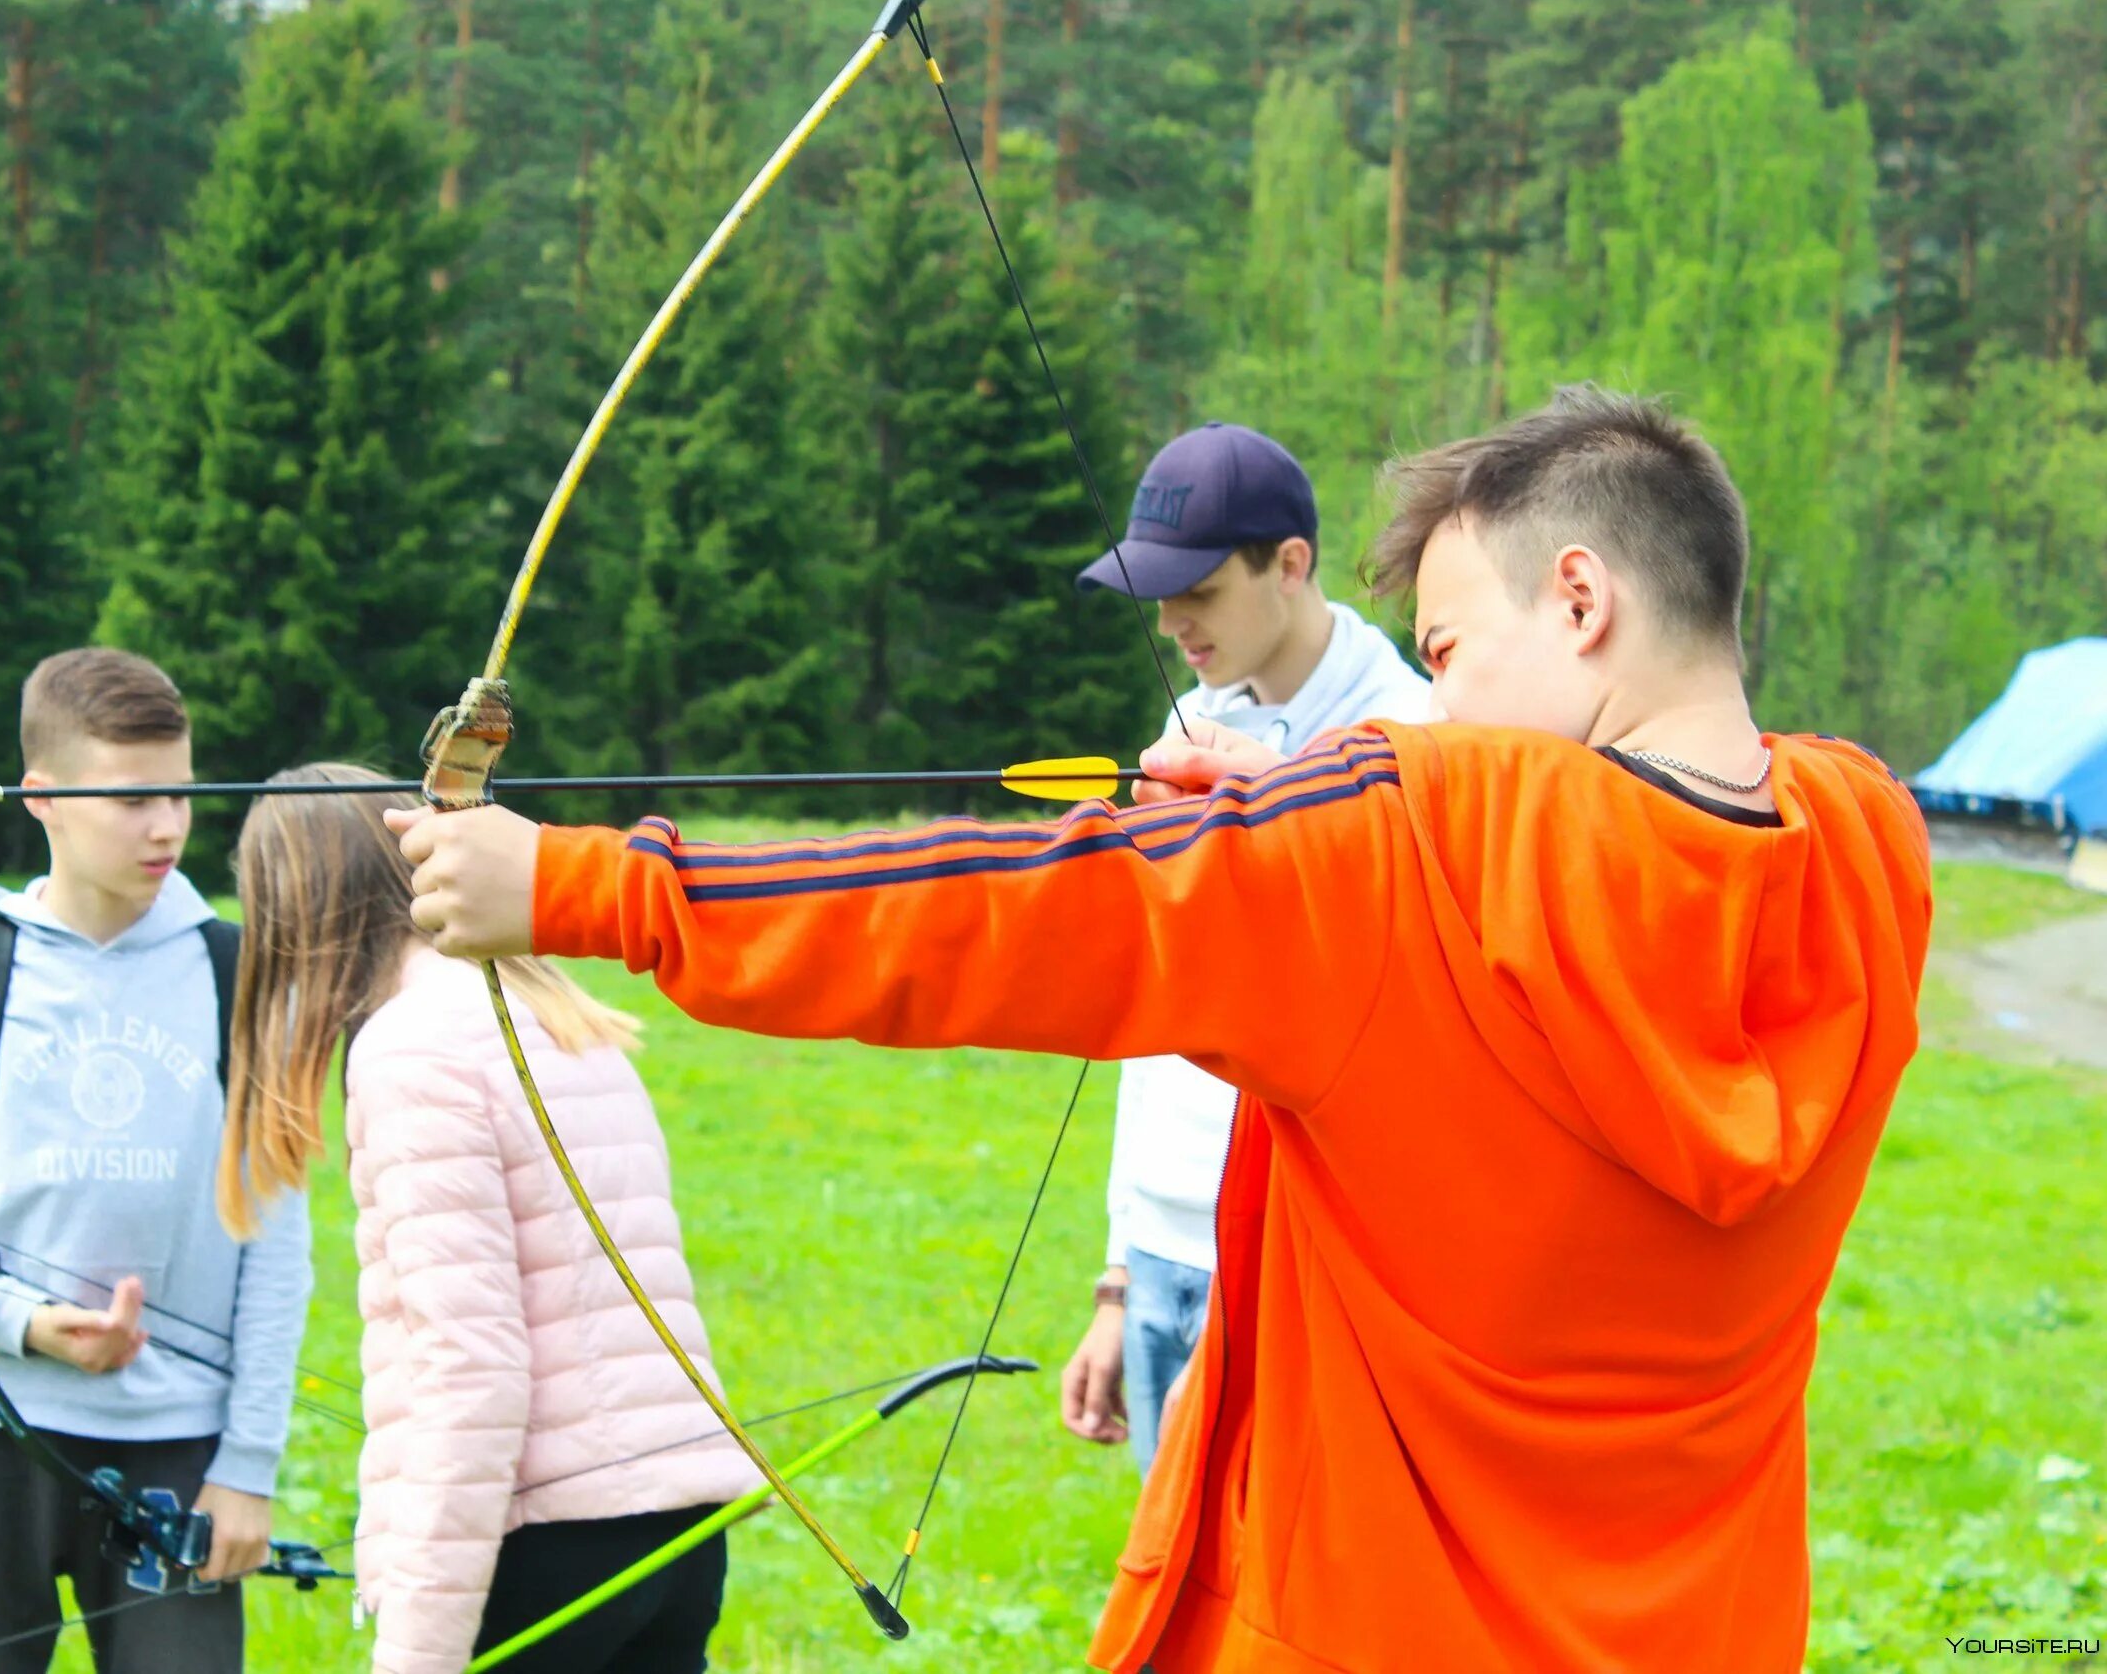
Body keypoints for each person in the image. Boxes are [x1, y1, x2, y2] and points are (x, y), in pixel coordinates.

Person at [385, 386, 1934, 1673]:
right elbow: (1690, 811)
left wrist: (589, 882)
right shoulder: (1868, 853)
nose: (1437, 701)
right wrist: (1282, 831)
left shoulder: (1411, 837)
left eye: (1450, 651)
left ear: (1581, 597)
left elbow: (1002, 912)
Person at [0, 648, 312, 1673]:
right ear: (42, 798)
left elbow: (278, 1242)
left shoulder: (242, 977)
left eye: (179, 790)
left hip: (179, 1449)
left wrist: (248, 1468)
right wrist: (22, 1326)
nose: (167, 826)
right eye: (131, 799)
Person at [221, 763, 760, 1674]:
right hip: (676, 1537)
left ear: (301, 916)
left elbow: (470, 1372)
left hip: (548, 1552)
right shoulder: (552, 1009)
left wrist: (416, 1654)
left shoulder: (411, 1048)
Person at [1065, 423, 1427, 1470]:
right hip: (1164, 1259)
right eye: (1157, 592)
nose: (1172, 620)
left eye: (1201, 589)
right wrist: (1117, 1277)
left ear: (1291, 563)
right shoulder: (1193, 720)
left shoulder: (1414, 739)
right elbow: (1162, 1005)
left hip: (1299, 1267)